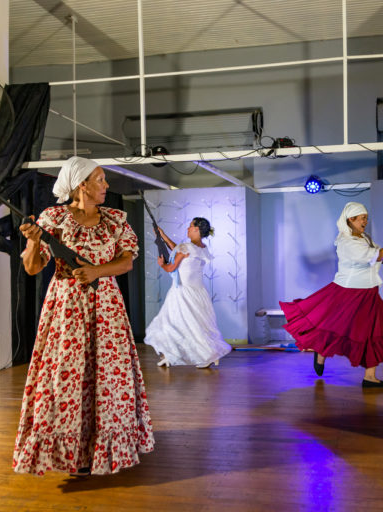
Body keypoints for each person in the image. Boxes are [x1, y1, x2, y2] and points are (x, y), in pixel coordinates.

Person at [12, 156, 154, 476]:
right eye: (100, 180)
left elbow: (126, 262)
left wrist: (96, 271)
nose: (106, 186)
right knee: (69, 378)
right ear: (82, 185)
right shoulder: (54, 218)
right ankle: (71, 455)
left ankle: (101, 450)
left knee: (107, 378)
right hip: (67, 307)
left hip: (107, 308)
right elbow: (33, 267)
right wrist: (35, 241)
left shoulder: (116, 220)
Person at [279, 202, 383, 388]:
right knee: (333, 326)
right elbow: (376, 256)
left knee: (374, 333)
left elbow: (378, 253)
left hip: (370, 292)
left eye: (366, 216)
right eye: (361, 217)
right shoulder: (347, 242)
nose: (365, 220)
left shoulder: (364, 238)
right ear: (351, 219)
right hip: (349, 292)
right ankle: (321, 352)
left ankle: (370, 377)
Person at [144, 218, 232, 368]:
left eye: (190, 226)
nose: (187, 229)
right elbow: (176, 248)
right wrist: (163, 235)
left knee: (169, 323)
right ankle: (203, 354)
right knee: (196, 326)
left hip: (182, 293)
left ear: (197, 230)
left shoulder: (186, 247)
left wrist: (162, 264)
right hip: (199, 293)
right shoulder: (202, 248)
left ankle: (173, 354)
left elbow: (171, 268)